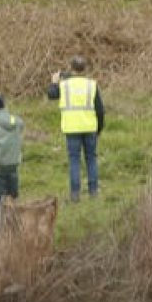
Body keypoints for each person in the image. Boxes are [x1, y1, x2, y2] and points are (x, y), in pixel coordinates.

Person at [47, 56, 105, 202]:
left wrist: (54, 82)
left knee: (74, 160)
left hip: (71, 127)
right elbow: (100, 110)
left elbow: (51, 95)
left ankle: (75, 194)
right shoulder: (91, 85)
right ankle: (93, 192)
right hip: (90, 127)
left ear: (70, 67)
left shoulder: (64, 85)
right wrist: (99, 128)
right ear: (85, 69)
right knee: (91, 159)